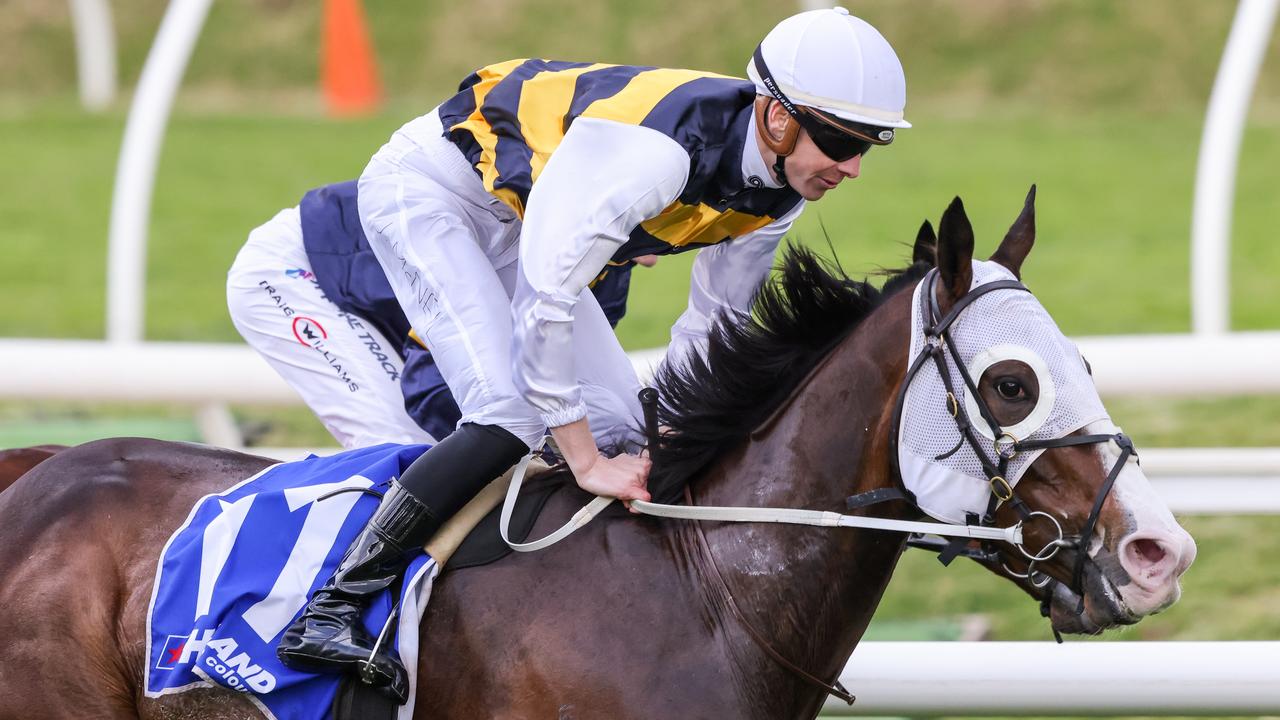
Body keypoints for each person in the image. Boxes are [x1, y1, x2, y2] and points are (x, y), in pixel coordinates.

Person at [258, 6, 910, 701]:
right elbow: (549, 296)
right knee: (509, 415)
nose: (854, 168)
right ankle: (330, 604)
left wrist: (668, 431)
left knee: (629, 427)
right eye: (842, 142)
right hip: (432, 196)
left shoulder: (778, 194)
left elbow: (715, 321)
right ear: (778, 118)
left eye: (871, 145)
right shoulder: (658, 153)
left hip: (516, 220)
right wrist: (584, 459)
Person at [226, 180, 643, 447]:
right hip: (296, 273)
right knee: (399, 451)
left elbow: (562, 383)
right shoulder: (539, 240)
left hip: (359, 282)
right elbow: (430, 389)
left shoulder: (607, 271)